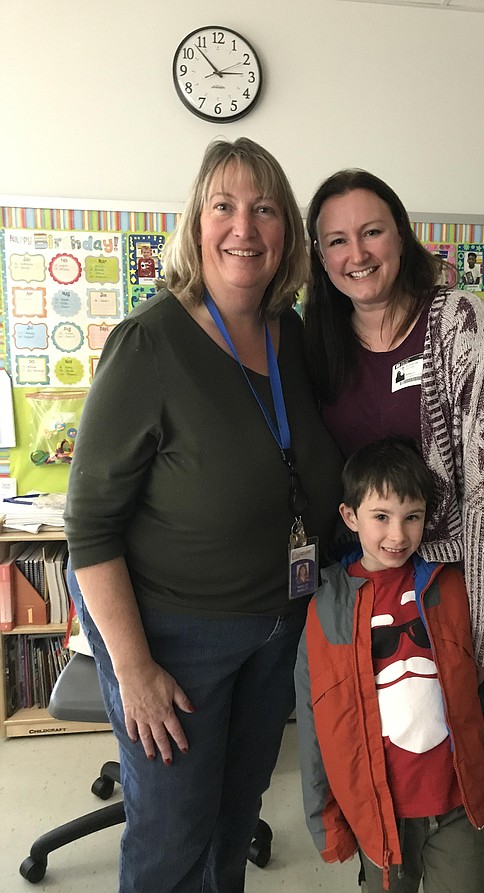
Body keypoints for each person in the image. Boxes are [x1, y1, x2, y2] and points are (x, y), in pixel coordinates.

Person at [64, 137, 343, 893]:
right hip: (175, 637)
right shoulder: (149, 344)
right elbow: (89, 531)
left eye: (264, 209)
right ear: (196, 224)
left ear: (287, 232)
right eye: (223, 206)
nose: (243, 227)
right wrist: (134, 671)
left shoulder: (294, 339)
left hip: (276, 624)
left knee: (231, 816)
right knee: (171, 836)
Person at [304, 169, 484, 692]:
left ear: (400, 234)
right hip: (359, 584)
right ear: (321, 256)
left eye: (372, 232)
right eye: (337, 241)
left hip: (447, 587)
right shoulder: (315, 340)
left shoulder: (461, 324)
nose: (357, 254)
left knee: (462, 749)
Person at [295, 436, 484, 892]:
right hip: (378, 812)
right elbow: (316, 720)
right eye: (381, 517)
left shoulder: (450, 588)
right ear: (350, 516)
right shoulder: (326, 608)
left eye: (411, 517)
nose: (397, 535)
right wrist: (326, 819)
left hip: (455, 799)